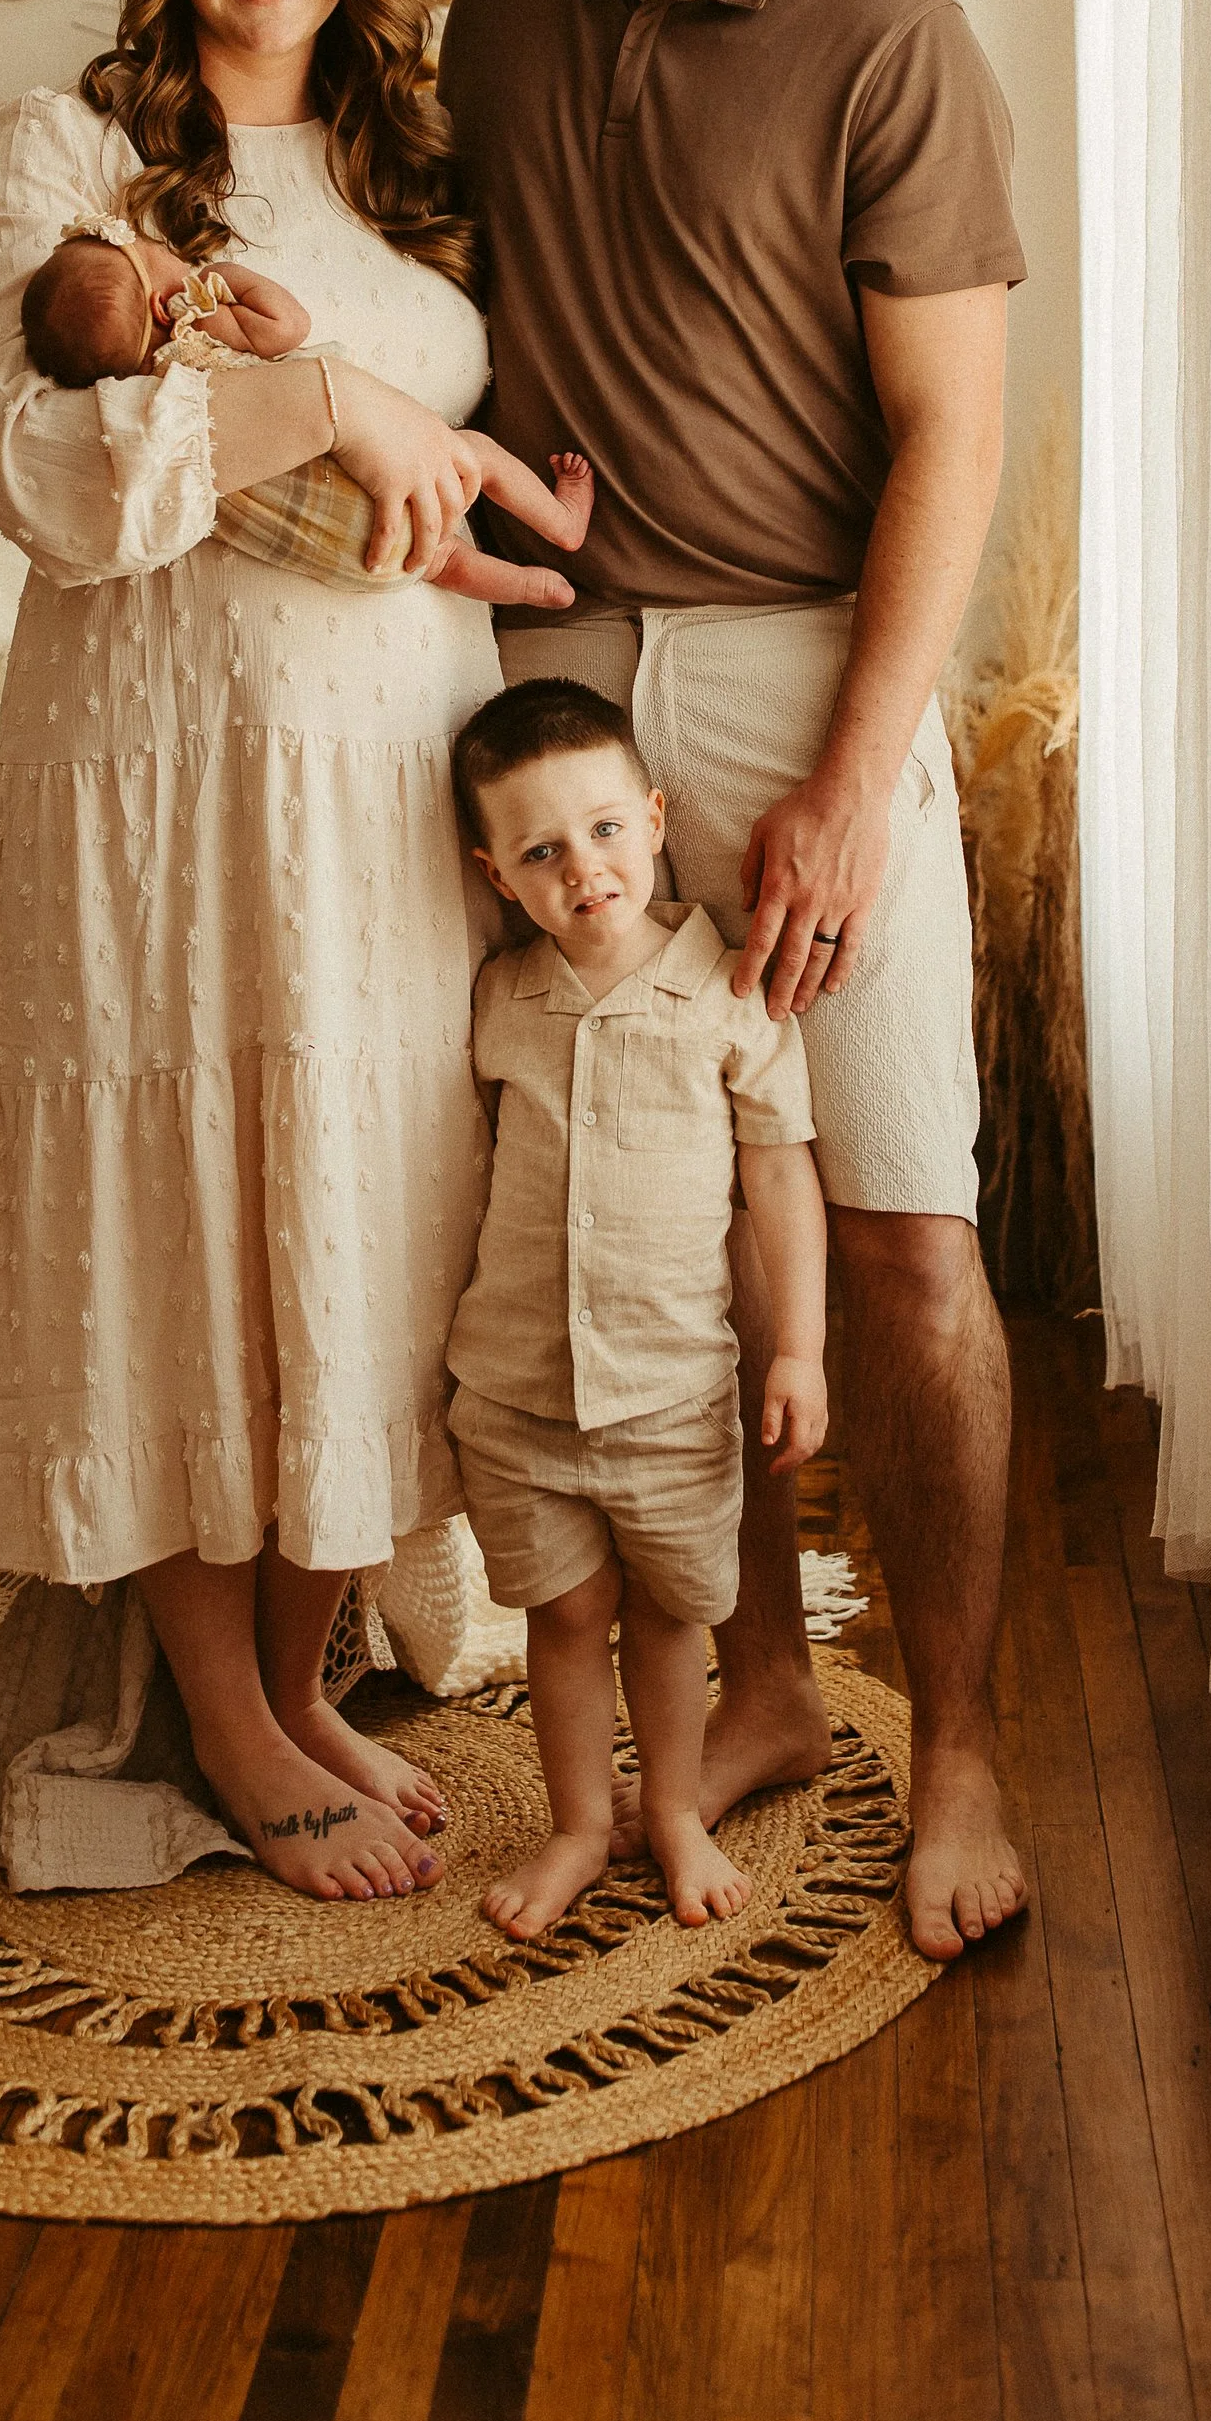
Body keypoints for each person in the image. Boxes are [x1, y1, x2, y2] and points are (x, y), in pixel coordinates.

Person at [437, 0, 1032, 1960]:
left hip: (811, 672)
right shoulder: (484, 18)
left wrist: (857, 767)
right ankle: (763, 1685)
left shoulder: (893, 33)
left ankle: (958, 1737)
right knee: (652, 1214)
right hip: (557, 688)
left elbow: (955, 442)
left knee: (894, 1225)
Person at [0, 0, 505, 1905]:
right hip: (154, 758)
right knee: (169, 1184)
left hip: (381, 759)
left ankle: (292, 1687)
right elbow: (33, 459)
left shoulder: (412, 162)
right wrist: (335, 401)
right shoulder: (63, 153)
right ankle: (220, 1713)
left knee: (364, 1187)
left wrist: (368, 403)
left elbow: (476, 436)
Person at [442, 678, 828, 1942]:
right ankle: (575, 1824)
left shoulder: (728, 992)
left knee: (669, 1615)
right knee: (562, 1617)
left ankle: (671, 1810)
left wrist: (805, 1352)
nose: (583, 869)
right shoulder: (503, 1000)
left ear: (655, 820)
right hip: (515, 1390)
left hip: (670, 1390)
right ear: (496, 875)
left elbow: (778, 1172)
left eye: (605, 831)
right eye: (541, 851)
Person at [17, 230, 597, 610]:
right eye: (146, 249)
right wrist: (226, 280)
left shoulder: (147, 407)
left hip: (331, 543)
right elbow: (288, 326)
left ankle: (526, 587)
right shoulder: (200, 331)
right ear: (156, 304)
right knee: (472, 450)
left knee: (439, 561)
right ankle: (562, 523)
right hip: (361, 470)